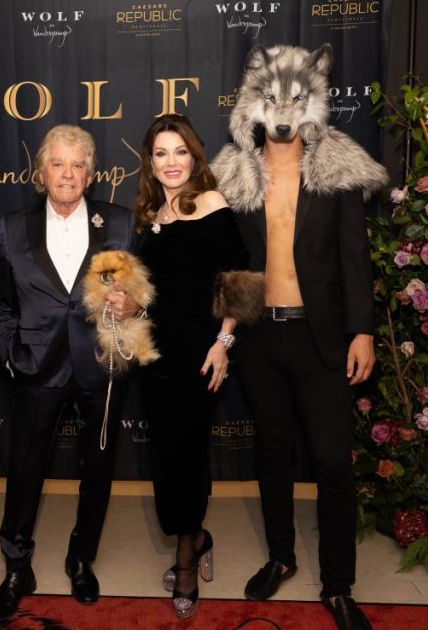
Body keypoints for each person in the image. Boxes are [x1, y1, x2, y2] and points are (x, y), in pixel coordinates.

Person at [211, 44, 387, 630]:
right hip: (262, 338)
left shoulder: (334, 166)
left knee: (334, 463)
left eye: (293, 100)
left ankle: (338, 584)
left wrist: (362, 330)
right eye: (271, 100)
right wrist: (227, 337)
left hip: (323, 339)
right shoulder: (236, 172)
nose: (282, 114)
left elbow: (355, 257)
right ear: (254, 103)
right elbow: (231, 265)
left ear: (311, 102)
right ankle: (281, 557)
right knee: (273, 456)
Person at [0, 125, 136, 621]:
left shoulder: (119, 222)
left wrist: (130, 306)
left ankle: (80, 557)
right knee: (24, 469)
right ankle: (16, 566)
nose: (67, 174)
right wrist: (10, 353)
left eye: (77, 165)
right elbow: (2, 303)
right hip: (36, 365)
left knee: (96, 471)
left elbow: (139, 298)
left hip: (99, 365)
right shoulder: (11, 226)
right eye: (58, 163)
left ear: (91, 174)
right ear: (41, 171)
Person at [132, 114, 249, 620]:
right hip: (154, 356)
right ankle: (197, 536)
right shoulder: (151, 210)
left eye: (179, 152)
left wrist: (223, 343)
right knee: (164, 454)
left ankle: (185, 559)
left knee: (187, 454)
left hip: (201, 354)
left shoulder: (212, 204)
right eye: (161, 153)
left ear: (194, 156)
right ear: (150, 161)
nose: (171, 162)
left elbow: (240, 282)